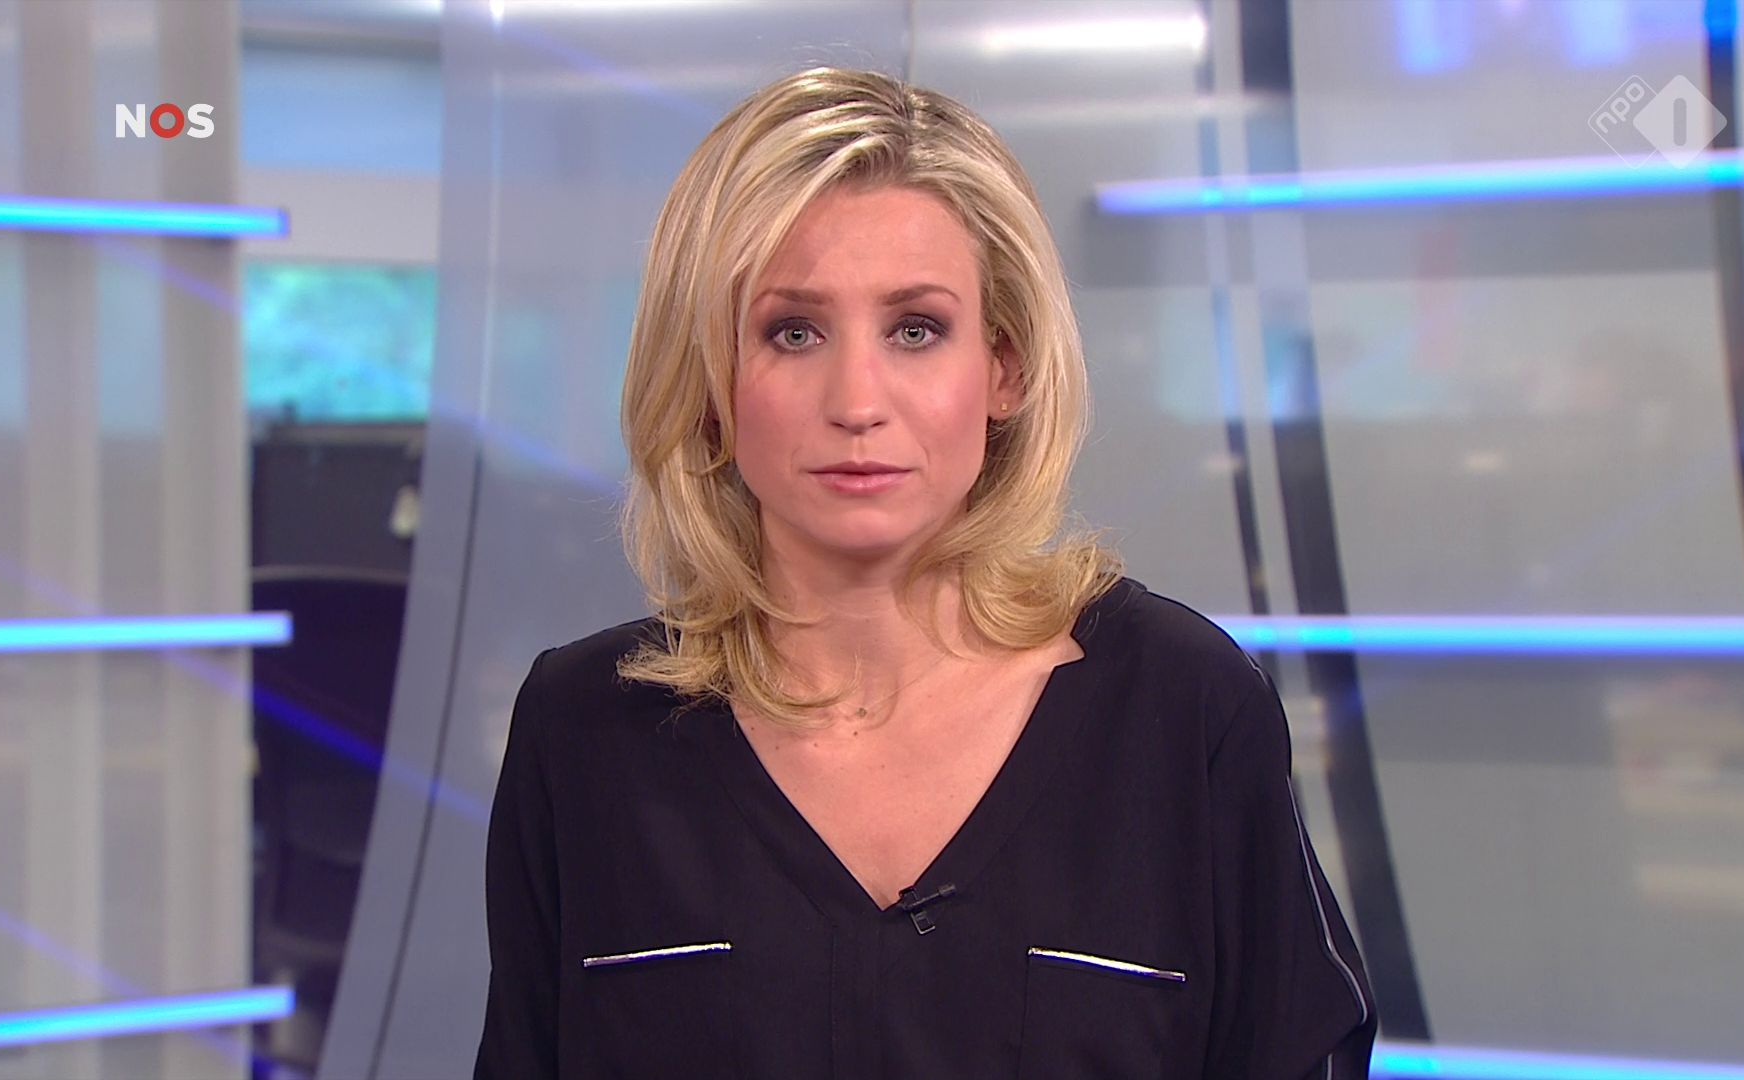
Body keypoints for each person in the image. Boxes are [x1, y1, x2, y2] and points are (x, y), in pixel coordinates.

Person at [473, 65, 1376, 1080]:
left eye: (916, 330)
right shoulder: (582, 731)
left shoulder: (1184, 710)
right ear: (710, 384)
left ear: (1004, 368)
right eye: (792, 332)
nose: (858, 401)